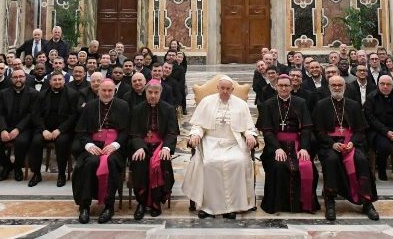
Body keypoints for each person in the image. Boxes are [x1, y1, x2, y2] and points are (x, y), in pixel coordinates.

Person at [183, 76, 257, 219]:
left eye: (228, 89)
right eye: (222, 88)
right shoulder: (206, 102)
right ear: (218, 88)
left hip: (233, 143)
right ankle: (207, 206)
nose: (225, 91)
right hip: (211, 142)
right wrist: (196, 134)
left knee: (239, 162)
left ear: (232, 90)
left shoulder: (241, 104)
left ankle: (233, 207)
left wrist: (249, 135)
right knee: (209, 163)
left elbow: (248, 127)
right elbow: (198, 125)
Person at [312, 76, 378, 221]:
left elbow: (360, 130)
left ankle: (367, 202)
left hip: (350, 144)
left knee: (361, 160)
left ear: (345, 87)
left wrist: (352, 143)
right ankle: (330, 200)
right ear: (328, 87)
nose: (337, 87)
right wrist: (331, 144)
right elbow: (318, 131)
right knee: (331, 160)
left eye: (339, 85)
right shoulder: (321, 105)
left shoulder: (354, 105)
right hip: (329, 144)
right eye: (333, 85)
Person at [257, 75, 317, 215]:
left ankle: (304, 204)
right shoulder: (268, 104)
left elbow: (307, 128)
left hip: (297, 144)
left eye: (286, 85)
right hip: (275, 146)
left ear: (291, 87)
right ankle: (277, 204)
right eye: (281, 85)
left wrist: (304, 148)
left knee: (308, 166)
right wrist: (277, 148)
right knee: (278, 166)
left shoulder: (300, 102)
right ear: (276, 87)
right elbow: (267, 131)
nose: (284, 88)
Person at [73, 80, 131, 224]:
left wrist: (116, 145)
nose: (106, 93)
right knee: (90, 162)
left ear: (114, 91)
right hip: (94, 145)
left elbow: (126, 132)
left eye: (110, 90)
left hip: (115, 147)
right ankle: (84, 206)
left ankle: (109, 206)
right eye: (104, 90)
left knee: (111, 162)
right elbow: (81, 131)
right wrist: (88, 145)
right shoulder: (90, 106)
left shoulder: (123, 106)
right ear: (98, 91)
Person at [129, 79, 179, 220]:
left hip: (160, 146)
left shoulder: (168, 109)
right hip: (143, 146)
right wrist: (139, 147)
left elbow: (172, 132)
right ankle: (141, 203)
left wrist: (167, 148)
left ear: (160, 93)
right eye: (150, 92)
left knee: (162, 162)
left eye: (156, 92)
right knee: (139, 162)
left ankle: (156, 201)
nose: (152, 95)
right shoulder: (138, 109)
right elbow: (134, 133)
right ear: (145, 93)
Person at [29, 71, 80, 187]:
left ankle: (61, 174)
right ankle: (36, 174)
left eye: (59, 80)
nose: (57, 82)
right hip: (45, 129)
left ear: (64, 81)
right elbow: (36, 115)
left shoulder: (72, 94)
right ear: (50, 82)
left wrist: (60, 130)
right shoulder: (42, 94)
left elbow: (74, 116)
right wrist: (43, 130)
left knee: (62, 143)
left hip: (64, 130)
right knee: (35, 142)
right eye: (55, 80)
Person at [0, 68, 37, 182]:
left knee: (21, 142)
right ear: (11, 79)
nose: (18, 79)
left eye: (21, 76)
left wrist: (18, 129)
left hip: (24, 128)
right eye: (15, 77)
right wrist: (3, 129)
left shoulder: (33, 93)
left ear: (25, 78)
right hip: (5, 125)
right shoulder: (3, 93)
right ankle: (7, 165)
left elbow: (31, 114)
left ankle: (17, 167)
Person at [364, 74, 393, 181]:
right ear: (378, 84)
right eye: (382, 84)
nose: (385, 86)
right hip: (379, 131)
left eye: (388, 84)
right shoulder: (371, 97)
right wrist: (386, 132)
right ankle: (381, 169)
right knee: (385, 147)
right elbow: (371, 118)